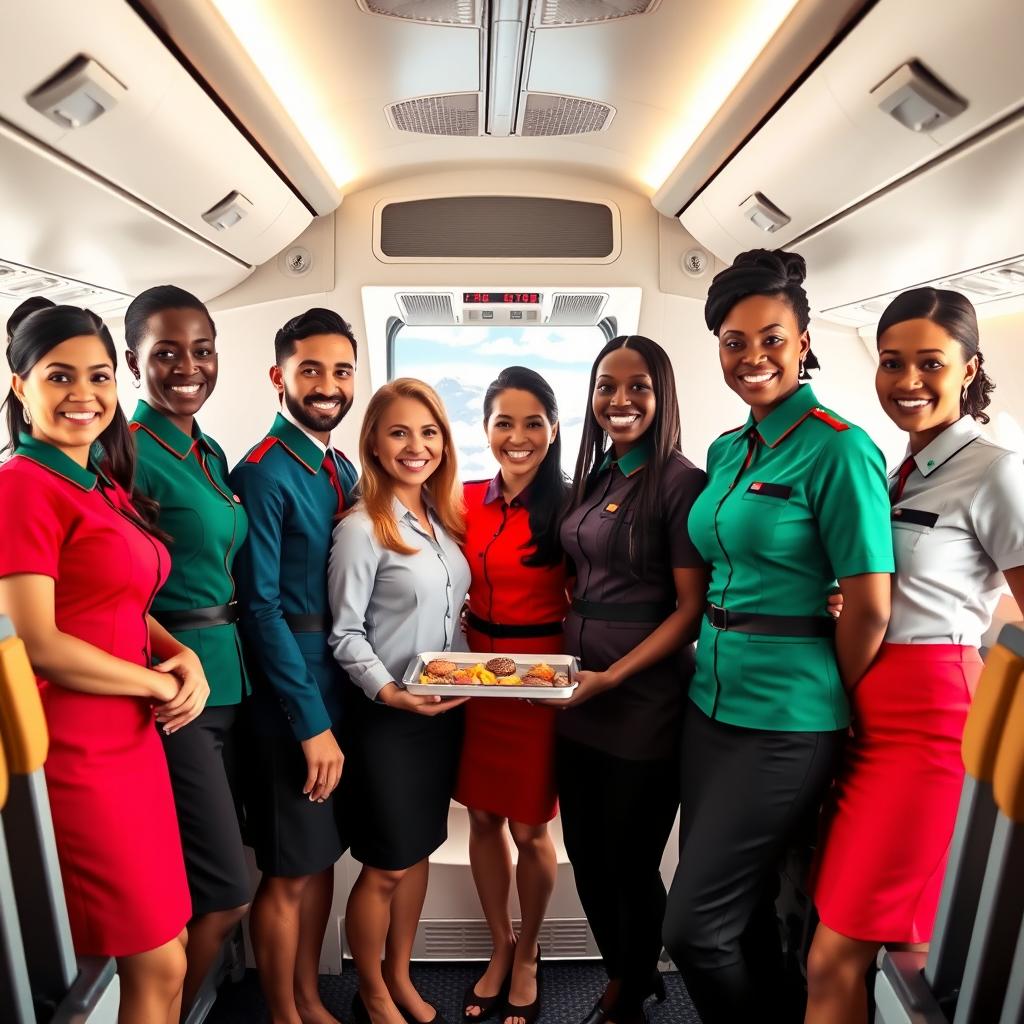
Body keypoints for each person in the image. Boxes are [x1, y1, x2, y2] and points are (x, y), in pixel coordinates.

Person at [661, 249, 894, 1024]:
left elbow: (869, 606)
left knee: (693, 929)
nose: (752, 357)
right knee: (745, 912)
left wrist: (832, 700)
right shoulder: (728, 449)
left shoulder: (839, 447)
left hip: (789, 719)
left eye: (771, 339)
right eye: (734, 342)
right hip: (710, 705)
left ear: (803, 344)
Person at [805, 288, 1024, 1024]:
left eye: (930, 363)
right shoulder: (894, 469)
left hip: (929, 727)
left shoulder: (996, 471)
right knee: (889, 951)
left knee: (839, 955)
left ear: (970, 369)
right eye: (892, 362)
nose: (908, 381)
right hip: (867, 715)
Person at [0, 301, 209, 1024]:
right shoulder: (21, 486)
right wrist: (156, 680)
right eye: (59, 376)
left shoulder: (97, 483)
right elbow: (37, 639)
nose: (83, 394)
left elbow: (118, 599)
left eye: (98, 376)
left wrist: (182, 654)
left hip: (132, 742)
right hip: (75, 753)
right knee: (157, 962)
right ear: (20, 384)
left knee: (173, 943)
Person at [555, 335, 709, 1024]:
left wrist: (613, 675)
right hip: (577, 693)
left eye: (637, 386)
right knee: (585, 852)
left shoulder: (680, 483)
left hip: (643, 700)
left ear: (661, 394)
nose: (620, 400)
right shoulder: (596, 477)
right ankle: (628, 969)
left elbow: (689, 609)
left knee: (629, 860)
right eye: (606, 386)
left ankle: (629, 986)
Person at [124, 284, 251, 1015]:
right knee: (227, 891)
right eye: (166, 353)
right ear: (132, 362)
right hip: (176, 691)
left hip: (231, 679)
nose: (188, 367)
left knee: (207, 883)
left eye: (202, 351)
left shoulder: (207, 448)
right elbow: (112, 582)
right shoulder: (126, 453)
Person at [230, 308, 358, 1024]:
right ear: (279, 377)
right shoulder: (265, 472)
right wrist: (310, 723)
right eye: (311, 369)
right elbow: (261, 609)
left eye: (341, 370)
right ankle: (283, 1013)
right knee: (286, 871)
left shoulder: (339, 467)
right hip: (292, 702)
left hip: (336, 690)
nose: (328, 385)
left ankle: (310, 998)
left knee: (321, 858)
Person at [328, 378, 470, 1024]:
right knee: (385, 865)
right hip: (387, 720)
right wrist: (390, 692)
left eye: (429, 432)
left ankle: (400, 975)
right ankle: (373, 992)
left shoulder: (442, 523)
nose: (417, 446)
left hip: (441, 715)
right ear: (375, 446)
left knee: (418, 853)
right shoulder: (362, 529)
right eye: (400, 433)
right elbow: (344, 632)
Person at [454, 367, 570, 1024]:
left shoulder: (573, 506)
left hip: (539, 678)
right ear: (486, 428)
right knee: (481, 818)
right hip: (475, 673)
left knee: (531, 828)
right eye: (504, 422)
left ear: (553, 430)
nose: (517, 437)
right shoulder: (464, 499)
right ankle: (500, 943)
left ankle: (529, 952)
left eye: (532, 423)